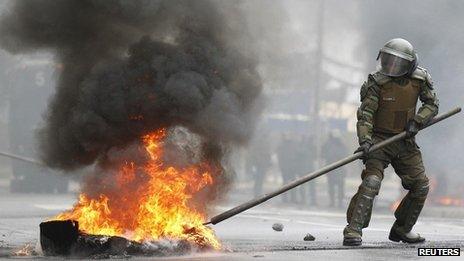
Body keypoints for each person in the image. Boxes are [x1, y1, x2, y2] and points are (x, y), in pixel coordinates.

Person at [343, 38, 439, 246]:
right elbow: (366, 115)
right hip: (379, 140)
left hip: (405, 141)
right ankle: (353, 230)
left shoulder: (420, 79)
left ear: (410, 64)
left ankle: (402, 230)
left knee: (420, 185)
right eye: (388, 61)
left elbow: (432, 104)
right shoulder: (376, 83)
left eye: (397, 63)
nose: (391, 67)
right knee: (372, 182)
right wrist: (365, 141)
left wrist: (417, 121)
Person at [322, 131, 347, 208]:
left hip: (337, 168)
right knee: (334, 186)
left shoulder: (339, 145)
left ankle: (337, 202)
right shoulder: (330, 144)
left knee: (338, 186)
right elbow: (323, 154)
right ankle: (334, 201)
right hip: (334, 168)